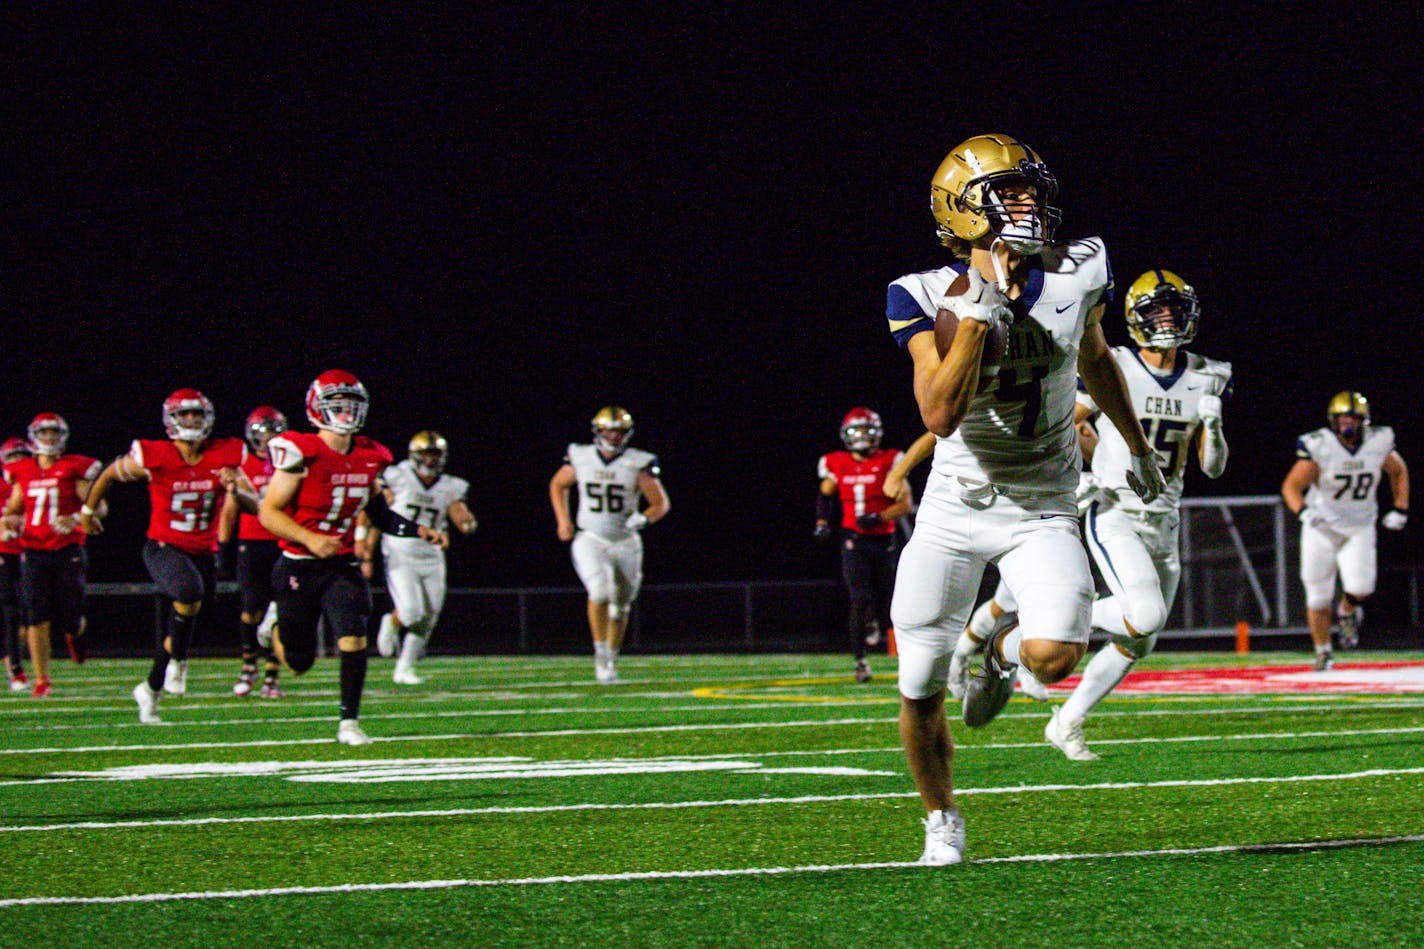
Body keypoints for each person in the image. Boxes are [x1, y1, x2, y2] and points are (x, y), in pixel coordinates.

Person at [884, 133, 1165, 865]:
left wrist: (1135, 446)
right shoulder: (921, 293)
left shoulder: (1081, 269)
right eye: (1007, 192)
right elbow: (939, 414)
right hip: (954, 507)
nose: (1027, 204)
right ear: (961, 210)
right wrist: (979, 311)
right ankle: (942, 818)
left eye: (1031, 190)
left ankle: (998, 651)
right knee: (917, 684)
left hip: (1042, 502)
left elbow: (1096, 357)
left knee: (1054, 657)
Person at [973, 270, 1232, 760]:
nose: (1167, 319)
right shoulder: (1120, 365)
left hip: (1165, 520)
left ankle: (1067, 720)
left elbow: (1212, 468)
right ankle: (1023, 638)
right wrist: (1077, 469)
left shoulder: (1209, 374)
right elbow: (1061, 419)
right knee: (1146, 615)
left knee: (1140, 640)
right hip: (1115, 511)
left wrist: (1214, 427)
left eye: (1175, 310)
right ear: (1135, 318)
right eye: (1157, 310)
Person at [256, 370, 442, 745]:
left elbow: (378, 514)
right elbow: (269, 512)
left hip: (340, 563)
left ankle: (349, 723)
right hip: (297, 562)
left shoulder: (372, 456)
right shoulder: (299, 450)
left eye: (351, 406)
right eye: (336, 407)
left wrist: (418, 529)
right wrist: (309, 538)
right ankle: (273, 625)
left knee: (354, 634)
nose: (345, 414)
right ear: (317, 408)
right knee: (298, 663)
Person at [81, 389, 247, 722]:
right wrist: (88, 510)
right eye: (183, 415)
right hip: (163, 546)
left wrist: (236, 486)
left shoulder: (225, 455)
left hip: (204, 552)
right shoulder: (155, 455)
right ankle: (179, 663)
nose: (190, 421)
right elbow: (110, 474)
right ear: (170, 421)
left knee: (191, 628)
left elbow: (251, 500)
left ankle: (150, 689)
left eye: (196, 415)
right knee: (188, 593)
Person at [1281, 391, 1409, 669]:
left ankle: (1348, 610)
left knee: (1361, 587)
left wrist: (1400, 508)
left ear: (1364, 420)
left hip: (1359, 526)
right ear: (1333, 420)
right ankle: (1323, 651)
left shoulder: (1378, 442)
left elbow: (1398, 471)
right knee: (1317, 595)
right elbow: (1291, 486)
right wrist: (1304, 512)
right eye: (1342, 418)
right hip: (1322, 528)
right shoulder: (1320, 445)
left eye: (1352, 417)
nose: (1347, 423)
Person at [549, 406, 669, 684]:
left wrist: (643, 518)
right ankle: (600, 652)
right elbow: (557, 484)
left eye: (619, 431)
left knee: (621, 607)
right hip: (590, 537)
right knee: (600, 591)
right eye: (609, 431)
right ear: (598, 431)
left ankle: (611, 657)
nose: (614, 437)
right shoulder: (580, 456)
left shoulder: (638, 461)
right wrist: (563, 520)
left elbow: (660, 503)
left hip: (626, 542)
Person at [1, 414, 102, 697]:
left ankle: (75, 634)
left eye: (52, 432)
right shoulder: (23, 470)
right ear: (34, 436)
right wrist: (8, 521)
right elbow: (13, 508)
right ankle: (41, 679)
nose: (48, 438)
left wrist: (74, 518)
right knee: (36, 616)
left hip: (67, 549)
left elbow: (99, 505)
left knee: (71, 615)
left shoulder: (73, 468)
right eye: (43, 433)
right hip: (33, 550)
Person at [814, 407, 913, 683]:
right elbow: (825, 496)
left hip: (885, 540)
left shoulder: (890, 460)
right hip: (853, 541)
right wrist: (822, 522)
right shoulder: (836, 462)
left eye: (865, 430)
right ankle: (860, 661)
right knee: (859, 598)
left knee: (892, 600)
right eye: (855, 431)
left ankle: (901, 649)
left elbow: (904, 503)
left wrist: (880, 516)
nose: (861, 436)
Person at [372, 430, 478, 685]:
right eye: (426, 454)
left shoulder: (450, 485)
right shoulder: (398, 476)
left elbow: (458, 512)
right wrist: (366, 542)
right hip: (401, 550)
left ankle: (404, 669)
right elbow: (376, 509)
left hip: (432, 554)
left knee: (430, 615)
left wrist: (467, 522)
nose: (430, 460)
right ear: (414, 455)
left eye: (435, 455)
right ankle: (393, 619)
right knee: (411, 613)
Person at [216, 406, 289, 698]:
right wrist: (223, 548)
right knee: (250, 610)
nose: (269, 438)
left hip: (282, 542)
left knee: (280, 611)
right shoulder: (242, 466)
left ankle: (272, 676)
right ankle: (249, 665)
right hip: (253, 543)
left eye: (273, 431)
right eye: (263, 432)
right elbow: (229, 511)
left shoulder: (290, 463)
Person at [1, 438, 34, 690]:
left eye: (22, 456)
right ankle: (15, 669)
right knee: (11, 613)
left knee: (31, 612)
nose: (18, 462)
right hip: (4, 555)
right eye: (13, 457)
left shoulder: (33, 483)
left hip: (33, 553)